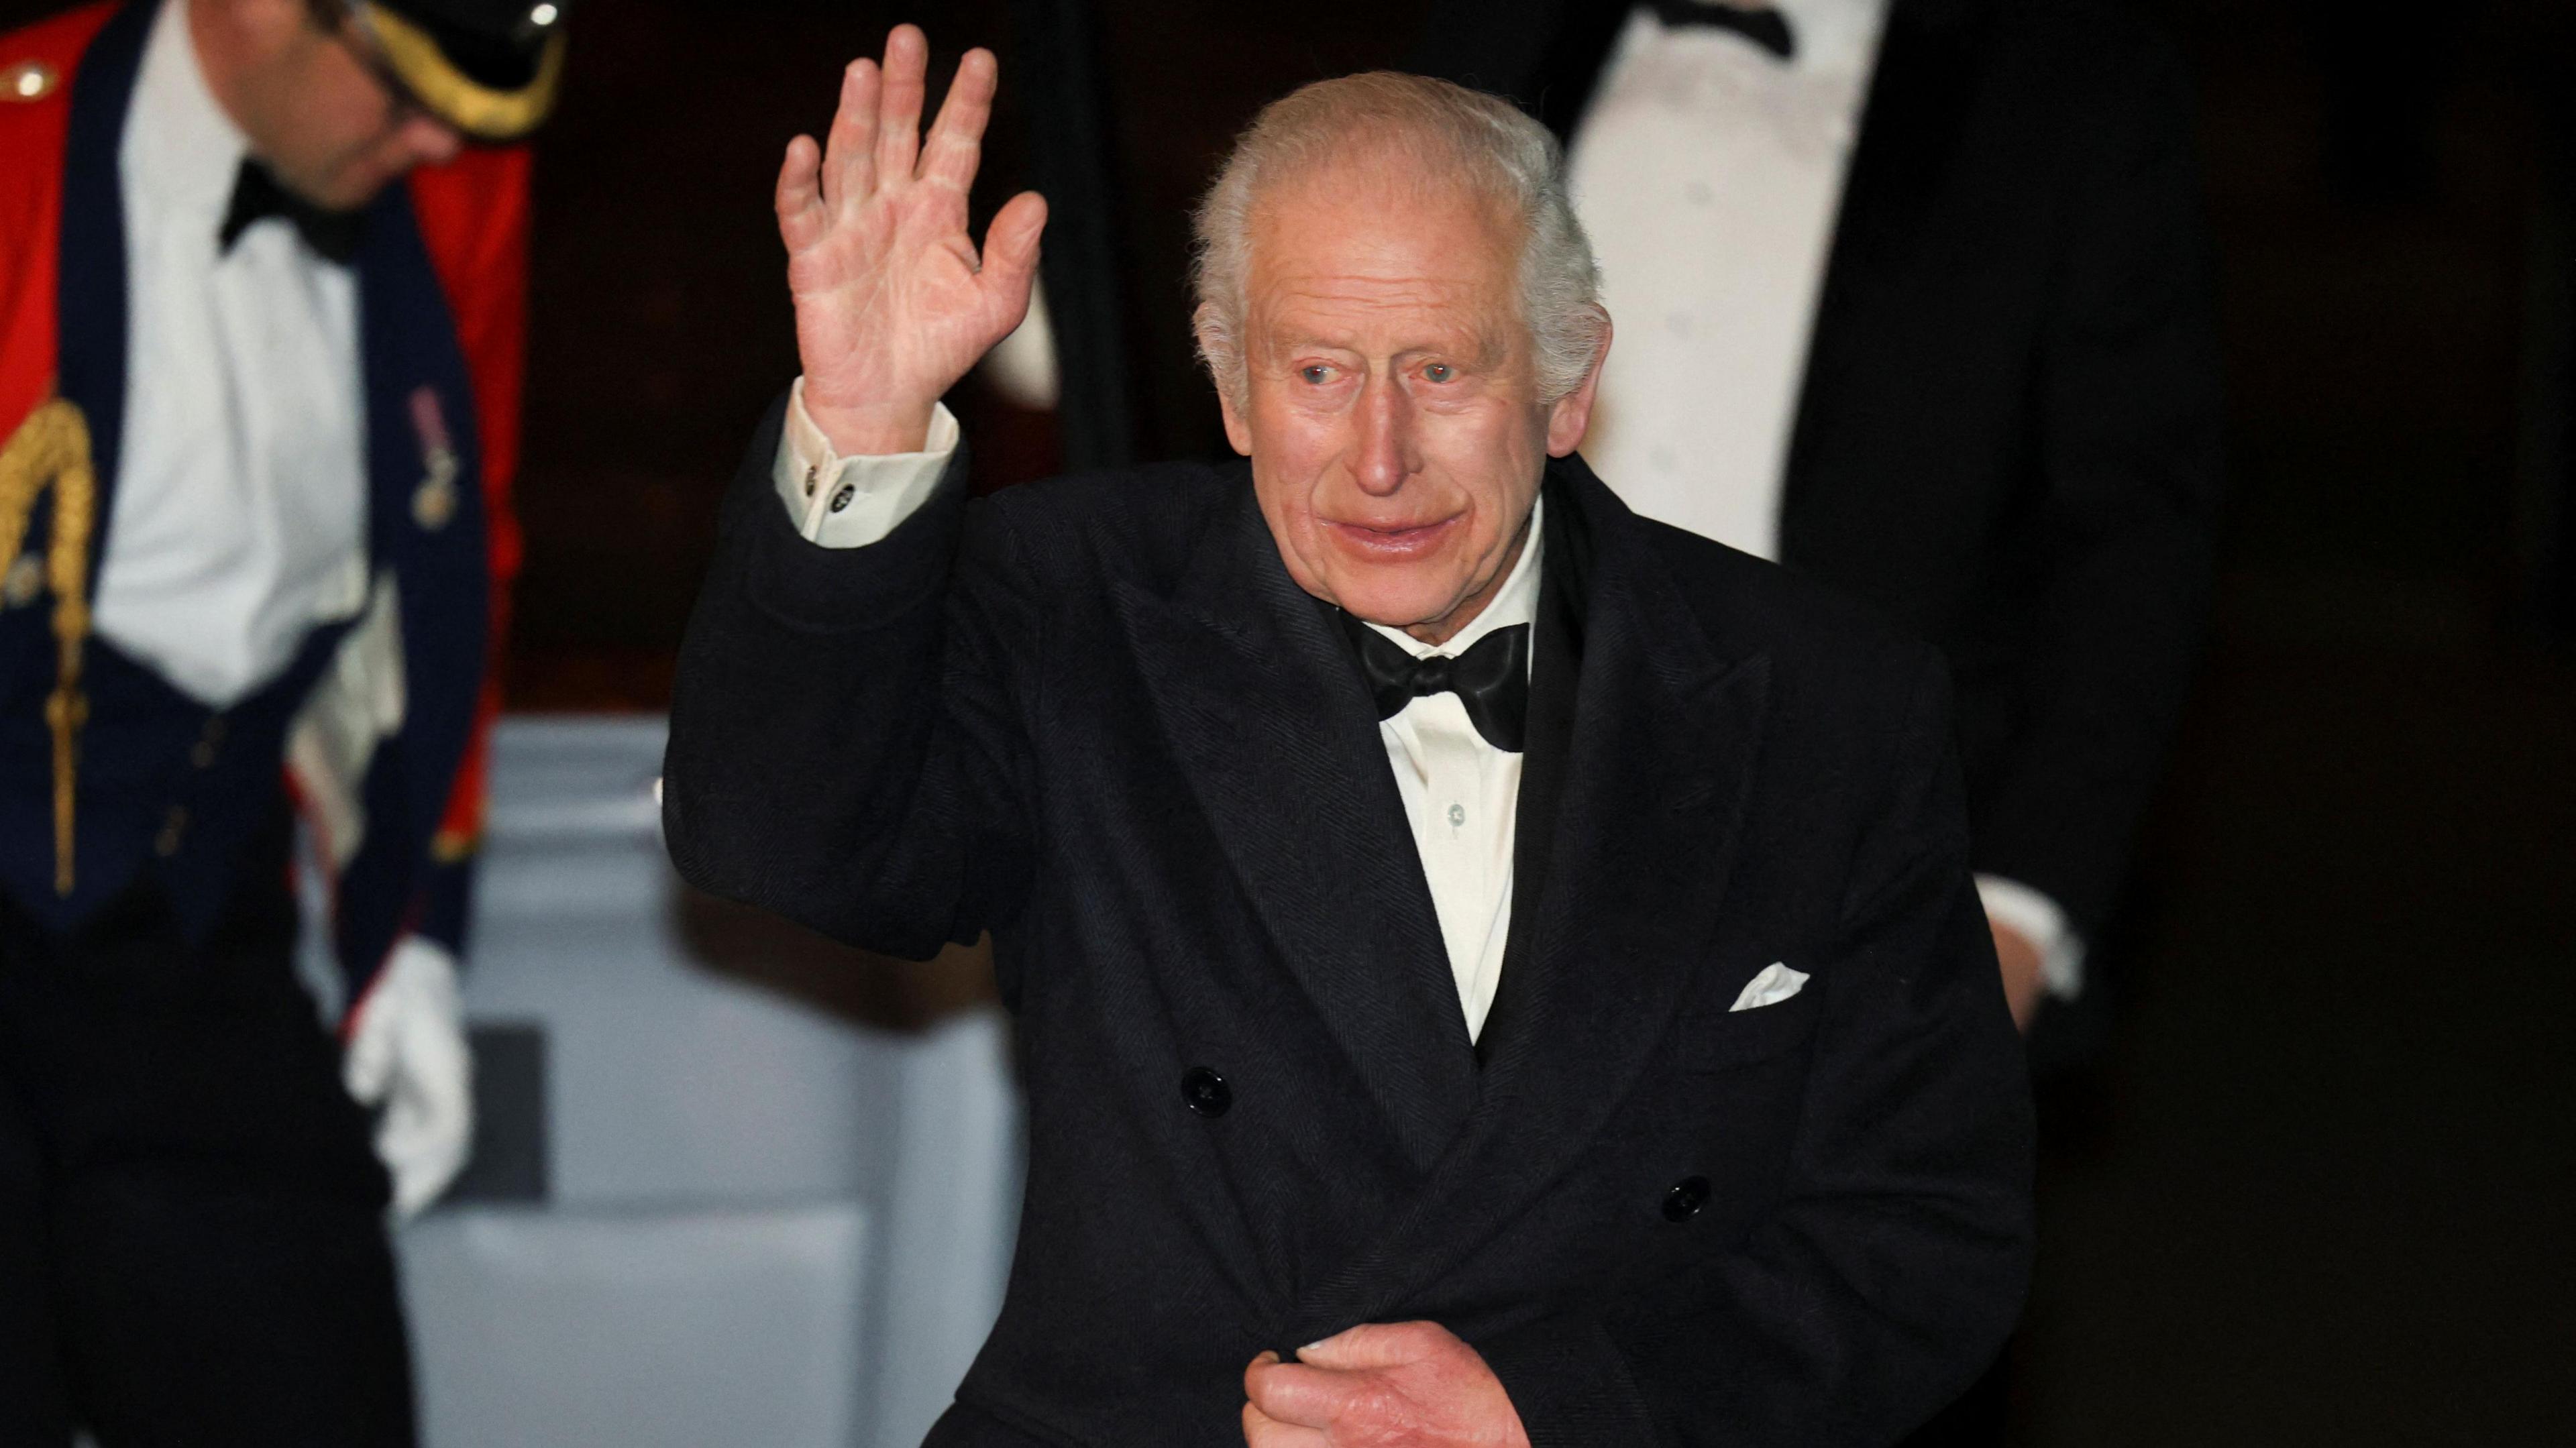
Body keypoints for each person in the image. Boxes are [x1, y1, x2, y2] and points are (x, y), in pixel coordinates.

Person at [665, 25, 2033, 1447]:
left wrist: (1548, 1414)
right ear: (1231, 384)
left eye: (1441, 371)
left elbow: (1929, 1236)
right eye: (1318, 374)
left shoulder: (1823, 703)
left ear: (1570, 386)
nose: (1379, 462)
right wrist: (868, 418)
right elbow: (780, 838)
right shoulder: (1071, 608)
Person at [1410, 0, 2226, 1048]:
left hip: (1851, 891)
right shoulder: (1495, 38)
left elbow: (2135, 528)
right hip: (1460, 854)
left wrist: (2019, 912)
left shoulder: (2069, 80)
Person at [0, 0, 555, 1440]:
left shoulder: (447, 178)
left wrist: (420, 923)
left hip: (195, 906)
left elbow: (457, 553)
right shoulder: (16, 141)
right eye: (402, 86)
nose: (444, 137)